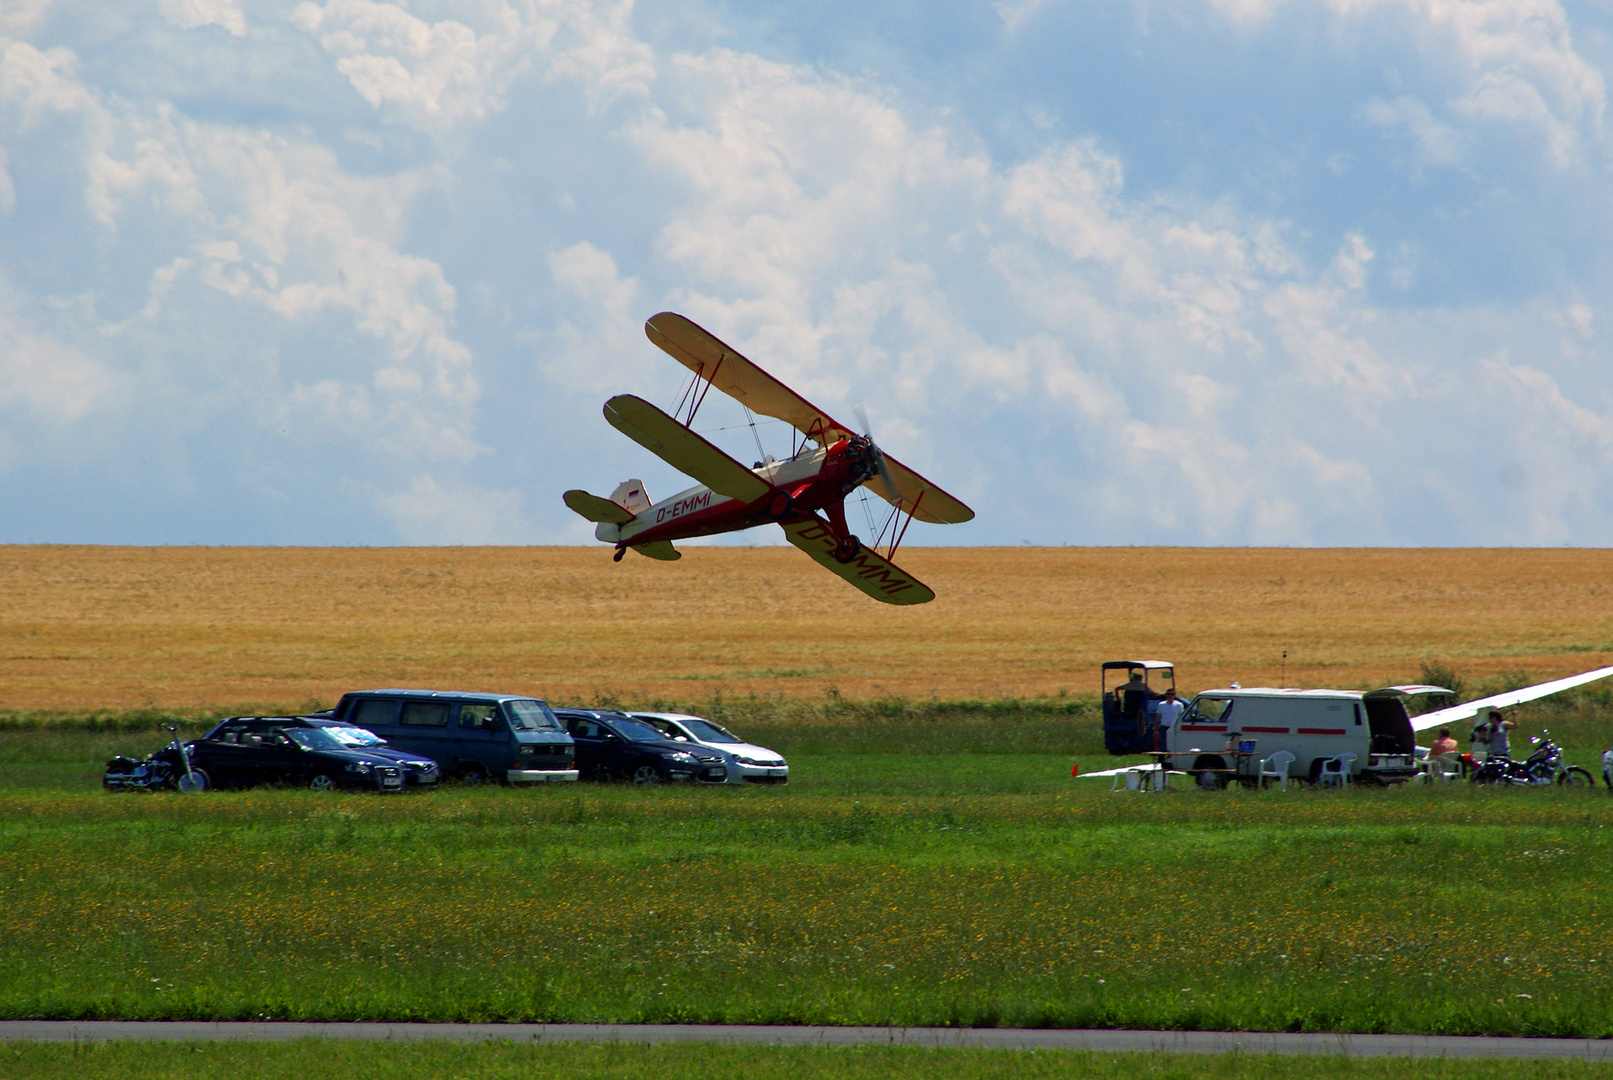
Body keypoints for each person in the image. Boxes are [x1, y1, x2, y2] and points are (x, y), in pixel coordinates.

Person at [1154, 687, 1185, 751]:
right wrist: (1156, 729)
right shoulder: (1161, 704)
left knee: (1174, 744)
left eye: (1172, 694)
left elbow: (1181, 717)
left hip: (1174, 728)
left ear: (1174, 695)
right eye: (1168, 694)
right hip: (1164, 727)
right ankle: (1161, 759)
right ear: (1166, 695)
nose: (1170, 696)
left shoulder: (1179, 705)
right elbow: (1157, 717)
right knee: (1162, 744)